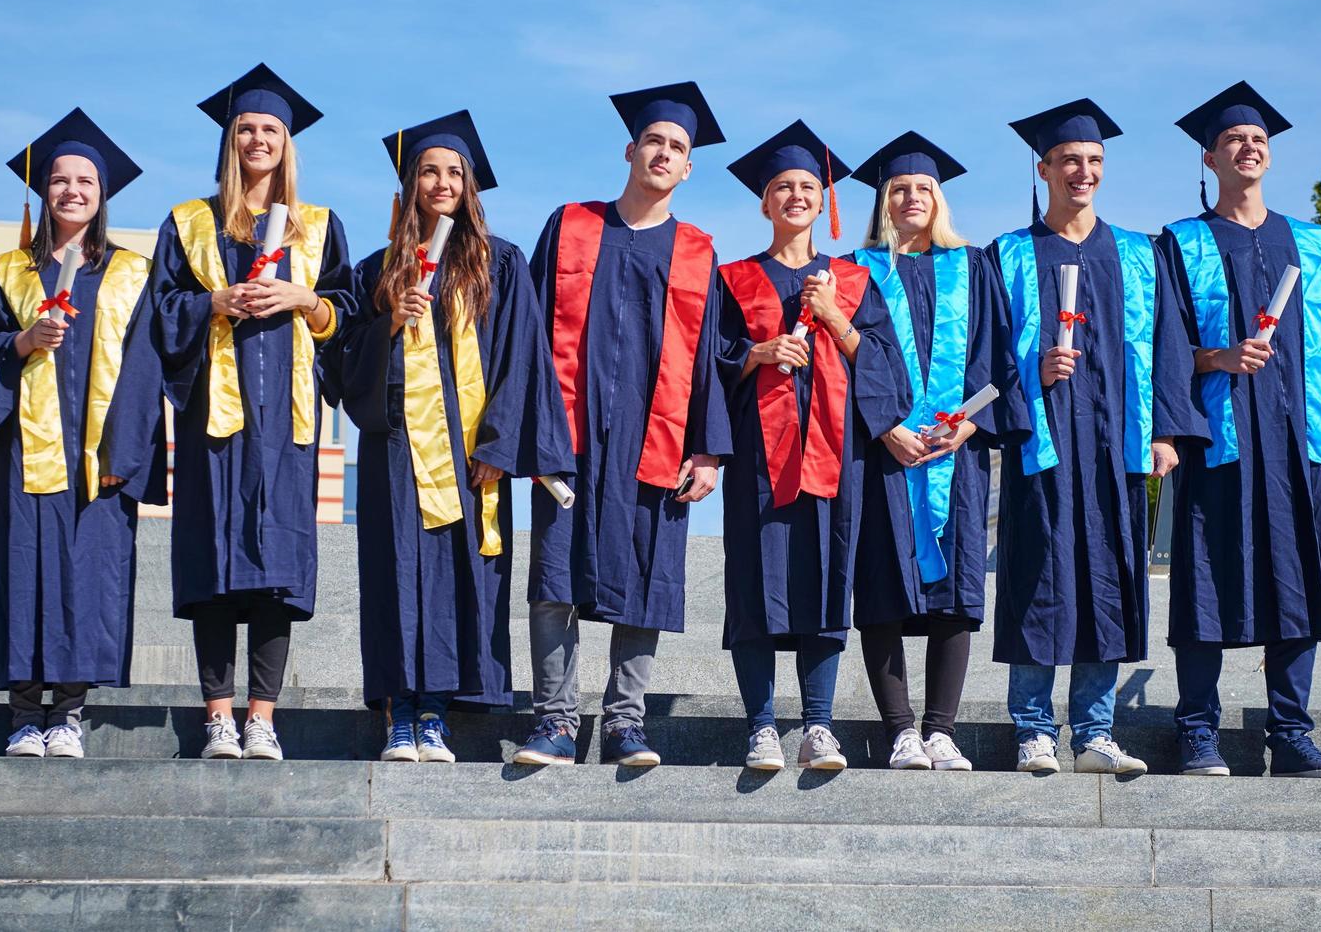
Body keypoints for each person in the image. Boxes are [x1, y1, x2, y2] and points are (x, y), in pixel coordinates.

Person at [338, 111, 573, 762]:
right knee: (393, 578)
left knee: (452, 580)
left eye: (452, 172)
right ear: (410, 184)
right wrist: (387, 320)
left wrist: (499, 446)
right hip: (396, 454)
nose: (440, 182)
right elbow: (343, 365)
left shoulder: (499, 262)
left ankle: (435, 715)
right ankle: (400, 716)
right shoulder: (376, 269)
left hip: (471, 458)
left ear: (468, 185)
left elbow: (523, 359)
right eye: (428, 171)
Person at [1159, 82, 1321, 778]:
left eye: (1257, 141)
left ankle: (1290, 733)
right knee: (1205, 577)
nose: (1248, 147)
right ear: (1208, 156)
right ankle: (1196, 730)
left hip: (1290, 438)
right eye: (1233, 140)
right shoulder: (1181, 242)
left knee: (1298, 579)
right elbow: (1164, 343)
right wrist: (1217, 358)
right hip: (1217, 436)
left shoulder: (1306, 242)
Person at [515, 82, 731, 767]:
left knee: (646, 577)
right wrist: (532, 436)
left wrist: (708, 450)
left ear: (688, 167)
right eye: (655, 142)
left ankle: (624, 724)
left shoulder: (698, 250)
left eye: (678, 147)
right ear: (630, 150)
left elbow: (707, 361)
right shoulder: (570, 224)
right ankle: (553, 722)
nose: (664, 154)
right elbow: (526, 334)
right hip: (569, 438)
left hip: (654, 439)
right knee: (555, 580)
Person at [992, 99, 1204, 775]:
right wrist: (1033, 370)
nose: (1082, 172)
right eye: (1069, 161)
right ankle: (1032, 729)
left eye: (1093, 161)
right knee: (1035, 580)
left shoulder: (1140, 255)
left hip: (1119, 445)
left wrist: (1168, 432)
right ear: (1043, 167)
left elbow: (1170, 347)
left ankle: (1093, 731)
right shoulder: (1008, 254)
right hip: (1043, 444)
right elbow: (986, 355)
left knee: (1108, 582)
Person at [0, 108, 166, 758]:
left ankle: (68, 714)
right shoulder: (7, 272)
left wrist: (125, 454)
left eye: (85, 183)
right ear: (43, 192)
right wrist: (21, 341)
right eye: (60, 181)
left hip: (100, 460)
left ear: (101, 197)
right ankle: (23, 714)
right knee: (24, 575)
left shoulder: (133, 274)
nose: (72, 191)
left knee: (87, 580)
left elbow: (145, 371)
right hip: (25, 458)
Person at [152, 63, 355, 760]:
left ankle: (261, 715)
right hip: (215, 422)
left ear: (287, 143)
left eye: (270, 129)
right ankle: (216, 716)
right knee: (214, 567)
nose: (258, 139)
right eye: (247, 129)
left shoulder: (319, 227)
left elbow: (347, 313)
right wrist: (213, 301)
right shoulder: (188, 223)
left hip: (287, 427)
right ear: (230, 141)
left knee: (275, 568)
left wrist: (304, 300)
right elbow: (158, 311)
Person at [716, 120, 909, 772]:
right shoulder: (733, 279)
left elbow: (888, 371)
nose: (795, 195)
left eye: (806, 186)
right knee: (755, 582)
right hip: (757, 459)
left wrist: (831, 317)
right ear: (763, 202)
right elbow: (703, 366)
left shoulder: (851, 282)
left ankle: (817, 726)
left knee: (826, 580)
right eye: (781, 187)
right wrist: (756, 354)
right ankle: (761, 726)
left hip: (834, 456)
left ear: (823, 202)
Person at [845, 132, 1031, 771]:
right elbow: (850, 367)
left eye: (923, 188)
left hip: (957, 452)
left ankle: (940, 730)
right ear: (884, 201)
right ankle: (899, 731)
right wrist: (883, 426)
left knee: (955, 588)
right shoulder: (857, 271)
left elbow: (997, 358)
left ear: (939, 199)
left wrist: (972, 428)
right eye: (899, 189)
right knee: (881, 585)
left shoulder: (973, 266)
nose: (912, 197)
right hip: (883, 456)